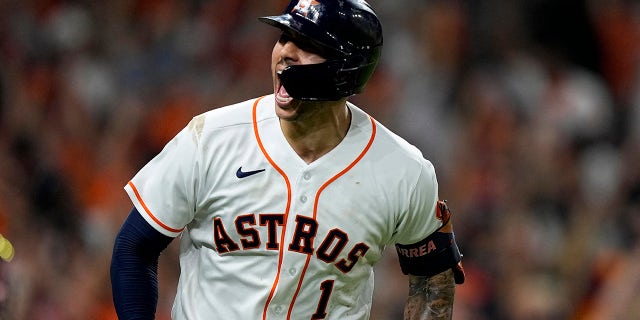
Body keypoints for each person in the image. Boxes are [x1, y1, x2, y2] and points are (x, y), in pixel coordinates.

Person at [110, 0, 465, 319]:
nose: (285, 53)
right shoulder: (212, 138)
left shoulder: (404, 171)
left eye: (308, 45)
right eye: (284, 37)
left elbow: (433, 279)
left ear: (346, 69)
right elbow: (134, 248)